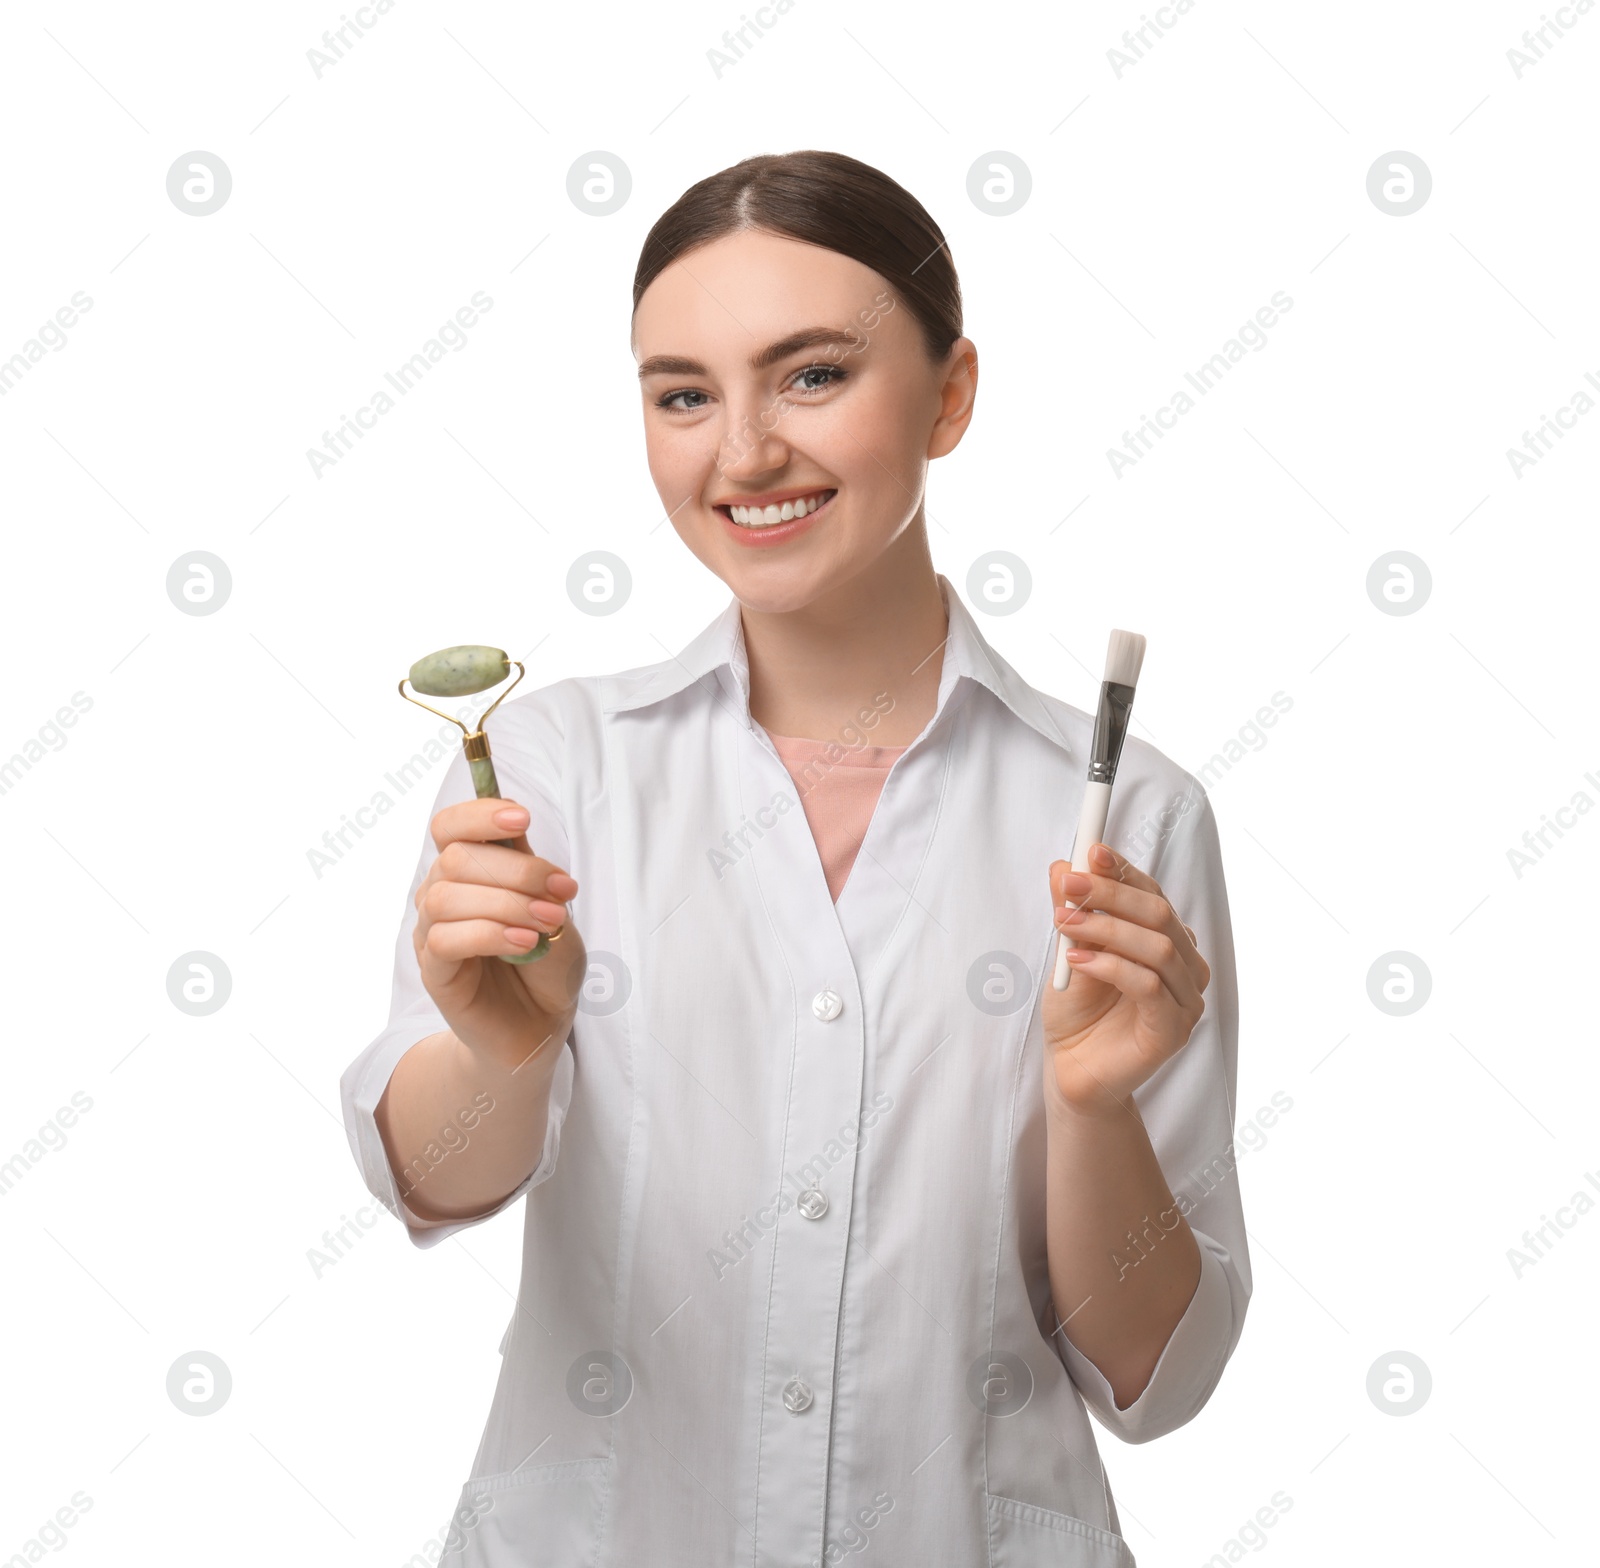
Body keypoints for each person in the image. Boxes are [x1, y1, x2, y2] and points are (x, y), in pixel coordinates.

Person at [340, 148, 1250, 1568]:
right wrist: (503, 1056)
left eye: (813, 375)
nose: (744, 451)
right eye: (684, 395)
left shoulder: (1127, 821)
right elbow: (437, 1183)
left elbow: (1152, 1376)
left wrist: (1092, 1107)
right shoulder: (557, 769)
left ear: (949, 396)